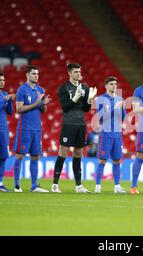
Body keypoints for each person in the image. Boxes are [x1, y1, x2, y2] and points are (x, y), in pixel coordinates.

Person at [51, 63, 97, 193]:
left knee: (78, 153)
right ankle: (55, 184)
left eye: (79, 71)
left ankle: (79, 186)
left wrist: (89, 100)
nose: (78, 74)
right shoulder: (64, 88)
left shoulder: (85, 87)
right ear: (69, 73)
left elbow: (86, 109)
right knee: (63, 151)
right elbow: (65, 107)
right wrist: (76, 97)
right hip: (68, 123)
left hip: (81, 124)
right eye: (76, 71)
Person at [12, 65, 50, 193]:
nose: (36, 76)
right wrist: (36, 103)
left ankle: (34, 186)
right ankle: (17, 185)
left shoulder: (40, 90)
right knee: (20, 155)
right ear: (27, 75)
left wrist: (43, 103)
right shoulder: (22, 90)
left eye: (37, 74)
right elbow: (19, 109)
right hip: (25, 128)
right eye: (34, 73)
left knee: (35, 156)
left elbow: (43, 110)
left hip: (36, 128)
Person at [94, 76, 127, 193]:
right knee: (102, 160)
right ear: (106, 86)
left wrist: (123, 108)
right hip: (106, 134)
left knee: (117, 161)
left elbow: (124, 118)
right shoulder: (101, 99)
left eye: (115, 84)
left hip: (117, 135)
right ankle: (98, 187)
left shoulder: (120, 99)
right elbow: (101, 117)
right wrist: (114, 107)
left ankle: (117, 187)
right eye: (112, 84)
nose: (114, 86)